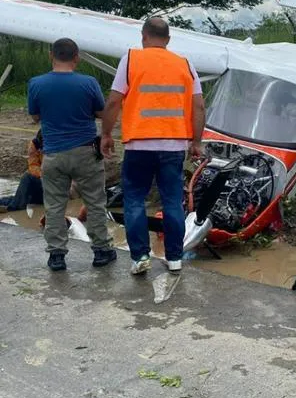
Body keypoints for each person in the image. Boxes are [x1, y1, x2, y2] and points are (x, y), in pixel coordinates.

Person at [101, 17, 205, 275]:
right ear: (168, 40)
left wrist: (105, 134)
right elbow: (199, 105)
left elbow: (114, 102)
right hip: (173, 146)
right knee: (171, 201)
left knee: (135, 199)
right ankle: (175, 258)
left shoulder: (131, 59)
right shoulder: (185, 63)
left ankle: (139, 258)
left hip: (138, 144)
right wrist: (197, 141)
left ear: (144, 37)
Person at [27, 37, 116, 271]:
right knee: (95, 202)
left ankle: (56, 255)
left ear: (51, 56)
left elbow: (35, 117)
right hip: (86, 151)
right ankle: (101, 250)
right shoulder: (88, 82)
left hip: (53, 154)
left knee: (54, 206)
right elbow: (99, 111)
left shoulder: (36, 83)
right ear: (76, 57)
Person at [0, 129, 44, 211]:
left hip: (54, 191)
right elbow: (33, 166)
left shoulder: (61, 148)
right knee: (19, 197)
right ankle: (14, 204)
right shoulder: (35, 144)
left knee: (27, 177)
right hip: (44, 185)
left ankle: (13, 208)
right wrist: (42, 175)